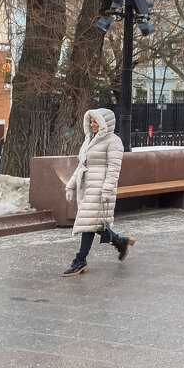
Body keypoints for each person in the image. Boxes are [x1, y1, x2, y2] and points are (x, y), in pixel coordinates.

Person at [62, 108, 135, 276]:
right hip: (87, 186)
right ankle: (120, 242)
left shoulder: (113, 141)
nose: (93, 125)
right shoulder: (89, 140)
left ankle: (80, 260)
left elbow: (114, 169)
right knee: (94, 221)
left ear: (105, 123)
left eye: (96, 121)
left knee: (88, 223)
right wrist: (71, 185)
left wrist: (107, 189)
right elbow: (82, 165)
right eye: (91, 121)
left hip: (101, 187)